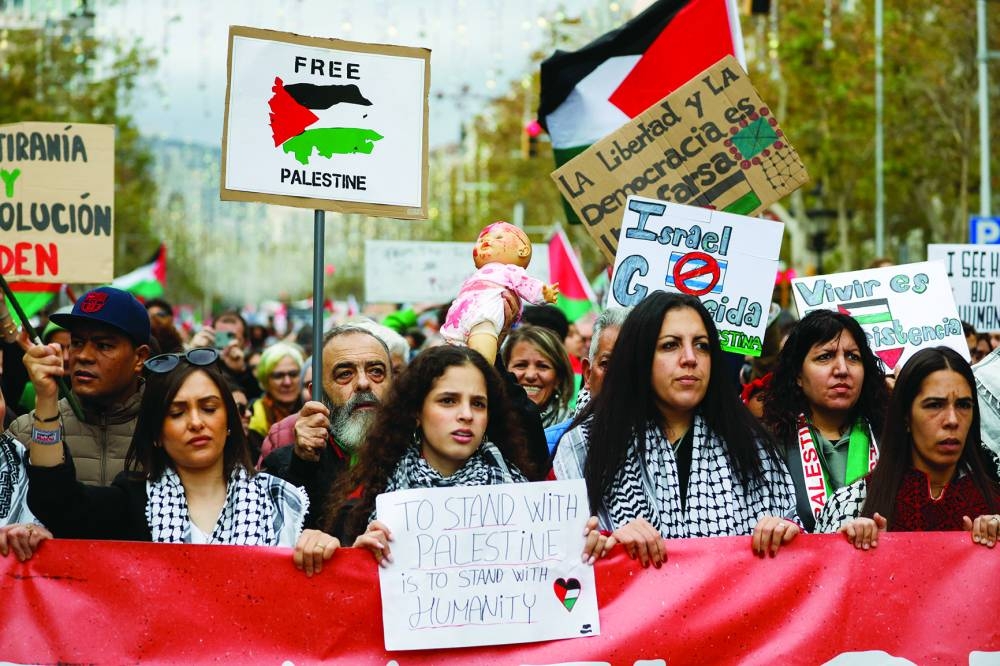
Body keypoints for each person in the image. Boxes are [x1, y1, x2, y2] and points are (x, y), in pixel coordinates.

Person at [311, 345, 610, 573]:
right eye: (448, 401)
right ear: (416, 412)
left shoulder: (533, 508)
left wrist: (588, 552)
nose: (466, 414)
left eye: (478, 404)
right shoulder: (364, 506)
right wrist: (356, 563)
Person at [554, 292, 799, 568]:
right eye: (670, 345)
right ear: (639, 356)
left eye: (702, 346)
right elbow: (564, 558)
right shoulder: (585, 445)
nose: (690, 358)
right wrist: (612, 547)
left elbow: (794, 556)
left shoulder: (752, 445)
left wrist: (783, 532)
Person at [25, 348, 312, 551]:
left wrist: (323, 543)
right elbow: (58, 502)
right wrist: (47, 400)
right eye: (177, 413)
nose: (196, 423)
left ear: (229, 422)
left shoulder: (280, 500)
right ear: (156, 434)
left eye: (209, 408)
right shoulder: (133, 503)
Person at [817, 347, 1000, 548]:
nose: (952, 420)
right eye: (934, 405)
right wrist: (853, 553)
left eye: (964, 405)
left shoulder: (994, 511)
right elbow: (819, 577)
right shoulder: (851, 505)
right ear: (905, 416)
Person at [7, 287, 151, 486]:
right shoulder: (25, 433)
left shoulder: (165, 430)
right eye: (77, 342)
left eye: (104, 346)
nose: (83, 356)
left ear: (140, 358)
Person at [762, 310, 888, 532]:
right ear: (798, 375)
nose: (842, 369)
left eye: (853, 357)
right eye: (825, 356)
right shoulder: (769, 446)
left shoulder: (890, 439)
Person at [261, 325, 393, 529]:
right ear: (318, 394)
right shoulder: (285, 463)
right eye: (345, 374)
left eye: (376, 371)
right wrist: (301, 464)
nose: (364, 383)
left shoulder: (421, 452)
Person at [441, 221, 559, 365]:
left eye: (498, 238)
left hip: (485, 318)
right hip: (458, 322)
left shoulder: (509, 271)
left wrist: (543, 292)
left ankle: (482, 373)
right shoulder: (474, 277)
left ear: (522, 250)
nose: (486, 241)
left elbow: (526, 283)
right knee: (450, 357)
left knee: (481, 358)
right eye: (481, 240)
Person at [546, 306, 630, 458]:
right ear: (588, 373)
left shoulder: (671, 446)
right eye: (607, 364)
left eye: (631, 364)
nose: (619, 375)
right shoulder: (550, 445)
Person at [502, 325, 574, 429]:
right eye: (521, 365)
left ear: (559, 378)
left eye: (542, 366)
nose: (530, 375)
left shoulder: (575, 428)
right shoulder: (486, 423)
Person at [247, 342, 305, 461]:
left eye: (293, 374)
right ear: (265, 380)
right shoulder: (252, 416)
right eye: (278, 376)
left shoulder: (315, 408)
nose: (287, 382)